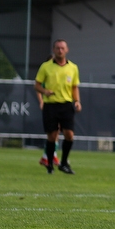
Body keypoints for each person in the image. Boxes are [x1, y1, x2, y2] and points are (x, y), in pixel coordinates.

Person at [34, 40, 81, 175]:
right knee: (52, 135)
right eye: (57, 48)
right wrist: (45, 92)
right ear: (54, 50)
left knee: (69, 134)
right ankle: (49, 165)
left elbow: (74, 87)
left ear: (67, 50)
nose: (60, 50)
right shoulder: (46, 67)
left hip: (66, 105)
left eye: (62, 48)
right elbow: (36, 85)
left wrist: (77, 101)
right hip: (51, 105)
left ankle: (64, 163)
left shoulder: (73, 68)